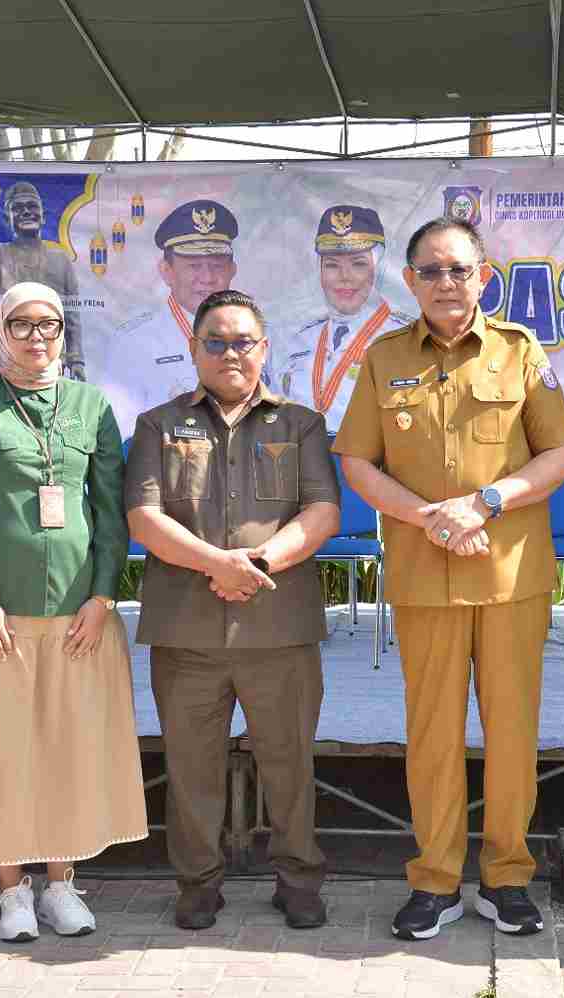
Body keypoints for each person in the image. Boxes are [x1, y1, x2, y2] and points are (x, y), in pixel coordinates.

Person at [333, 219, 564, 940]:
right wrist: (428, 516)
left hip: (509, 576)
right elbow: (358, 463)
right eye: (432, 271)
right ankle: (435, 881)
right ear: (409, 280)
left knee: (512, 735)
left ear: (484, 276)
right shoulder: (382, 359)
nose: (447, 283)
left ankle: (506, 878)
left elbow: (560, 451)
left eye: (460, 270)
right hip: (423, 574)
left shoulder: (519, 351)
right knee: (432, 737)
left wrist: (485, 502)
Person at [0, 280, 147, 943]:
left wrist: (104, 594)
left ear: (63, 334)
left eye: (48, 323)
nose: (36, 335)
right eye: (20, 323)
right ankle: (12, 891)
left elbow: (111, 510)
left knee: (67, 748)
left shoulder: (90, 407)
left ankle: (61, 885)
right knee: (1, 752)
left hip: (78, 615)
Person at [126, 289, 341, 930]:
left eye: (242, 341)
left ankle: (299, 881)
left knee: (290, 763)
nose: (229, 353)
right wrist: (217, 565)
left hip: (279, 628)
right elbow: (144, 518)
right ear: (194, 350)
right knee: (192, 768)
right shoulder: (158, 426)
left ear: (263, 348)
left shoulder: (299, 423)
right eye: (215, 342)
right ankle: (197, 884)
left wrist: (259, 564)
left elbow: (321, 512)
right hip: (188, 631)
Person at [271, 205, 412, 431]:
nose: (344, 277)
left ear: (379, 269)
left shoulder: (407, 339)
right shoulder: (297, 340)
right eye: (332, 265)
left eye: (358, 264)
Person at [113, 199, 240, 422]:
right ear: (166, 271)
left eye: (216, 266)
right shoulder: (134, 342)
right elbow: (122, 432)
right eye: (194, 266)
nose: (207, 278)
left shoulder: (260, 337)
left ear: (232, 270)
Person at [0, 178, 83, 377]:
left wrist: (76, 360)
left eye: (31, 206)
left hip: (50, 357)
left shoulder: (60, 260)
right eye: (18, 208)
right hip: (4, 357)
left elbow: (72, 314)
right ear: (8, 218)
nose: (26, 212)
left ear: (43, 216)